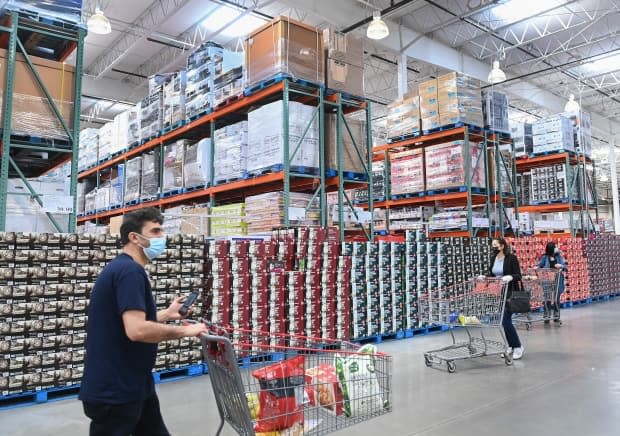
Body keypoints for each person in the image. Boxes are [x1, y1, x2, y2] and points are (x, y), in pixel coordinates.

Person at [79, 208, 208, 436]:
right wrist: (187, 332)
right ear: (134, 237)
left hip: (135, 382)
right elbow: (137, 330)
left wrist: (167, 314)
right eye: (155, 231)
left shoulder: (124, 268)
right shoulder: (130, 272)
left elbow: (125, 323)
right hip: (116, 390)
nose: (162, 237)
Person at [485, 237, 525, 360]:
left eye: (495, 245)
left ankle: (518, 346)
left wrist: (510, 277)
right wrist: (484, 277)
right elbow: (492, 274)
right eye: (492, 245)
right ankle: (511, 345)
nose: (493, 247)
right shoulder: (494, 258)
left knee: (505, 320)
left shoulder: (511, 258)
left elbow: (518, 275)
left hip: (510, 293)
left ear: (502, 246)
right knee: (504, 321)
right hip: (498, 293)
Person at [538, 242, 567, 323]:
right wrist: (537, 267)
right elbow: (540, 265)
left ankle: (556, 314)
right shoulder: (545, 257)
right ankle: (546, 314)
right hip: (547, 279)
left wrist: (561, 266)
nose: (556, 248)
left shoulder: (559, 257)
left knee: (556, 297)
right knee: (547, 297)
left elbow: (565, 267)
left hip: (557, 279)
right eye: (555, 247)